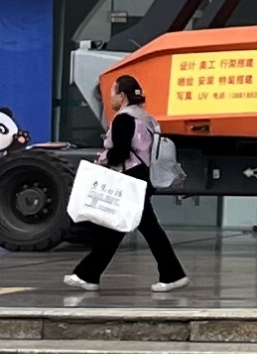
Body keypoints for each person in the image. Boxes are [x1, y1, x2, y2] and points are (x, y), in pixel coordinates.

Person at [65, 71, 188, 294]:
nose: (110, 97)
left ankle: (173, 275)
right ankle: (88, 275)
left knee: (141, 229)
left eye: (112, 92)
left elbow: (120, 151)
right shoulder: (145, 118)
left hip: (130, 177)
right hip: (143, 175)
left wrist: (105, 158)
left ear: (122, 96)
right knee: (123, 228)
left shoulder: (124, 119)